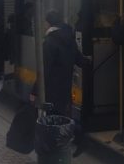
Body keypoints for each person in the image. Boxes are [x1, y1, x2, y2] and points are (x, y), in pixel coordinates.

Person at [30, 10, 88, 155]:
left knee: (51, 121)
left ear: (48, 23)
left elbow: (44, 70)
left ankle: (52, 154)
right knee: (62, 118)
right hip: (65, 86)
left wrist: (34, 91)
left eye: (44, 22)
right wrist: (90, 61)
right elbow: (79, 60)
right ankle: (72, 142)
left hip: (51, 89)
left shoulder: (49, 42)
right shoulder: (69, 38)